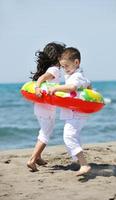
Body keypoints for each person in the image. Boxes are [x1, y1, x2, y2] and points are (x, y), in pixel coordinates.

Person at [48, 47, 91, 176]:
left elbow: (72, 87)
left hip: (76, 113)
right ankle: (77, 161)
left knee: (68, 137)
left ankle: (84, 164)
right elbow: (88, 84)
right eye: (62, 67)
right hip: (76, 113)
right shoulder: (78, 75)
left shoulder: (76, 76)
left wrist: (56, 88)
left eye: (66, 66)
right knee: (74, 137)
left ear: (76, 62)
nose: (65, 69)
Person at [27, 42, 66, 172]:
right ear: (58, 57)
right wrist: (37, 87)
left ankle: (38, 157)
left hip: (40, 106)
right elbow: (42, 79)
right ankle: (32, 160)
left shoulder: (49, 69)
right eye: (64, 56)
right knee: (46, 133)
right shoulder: (54, 70)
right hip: (47, 108)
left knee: (43, 130)